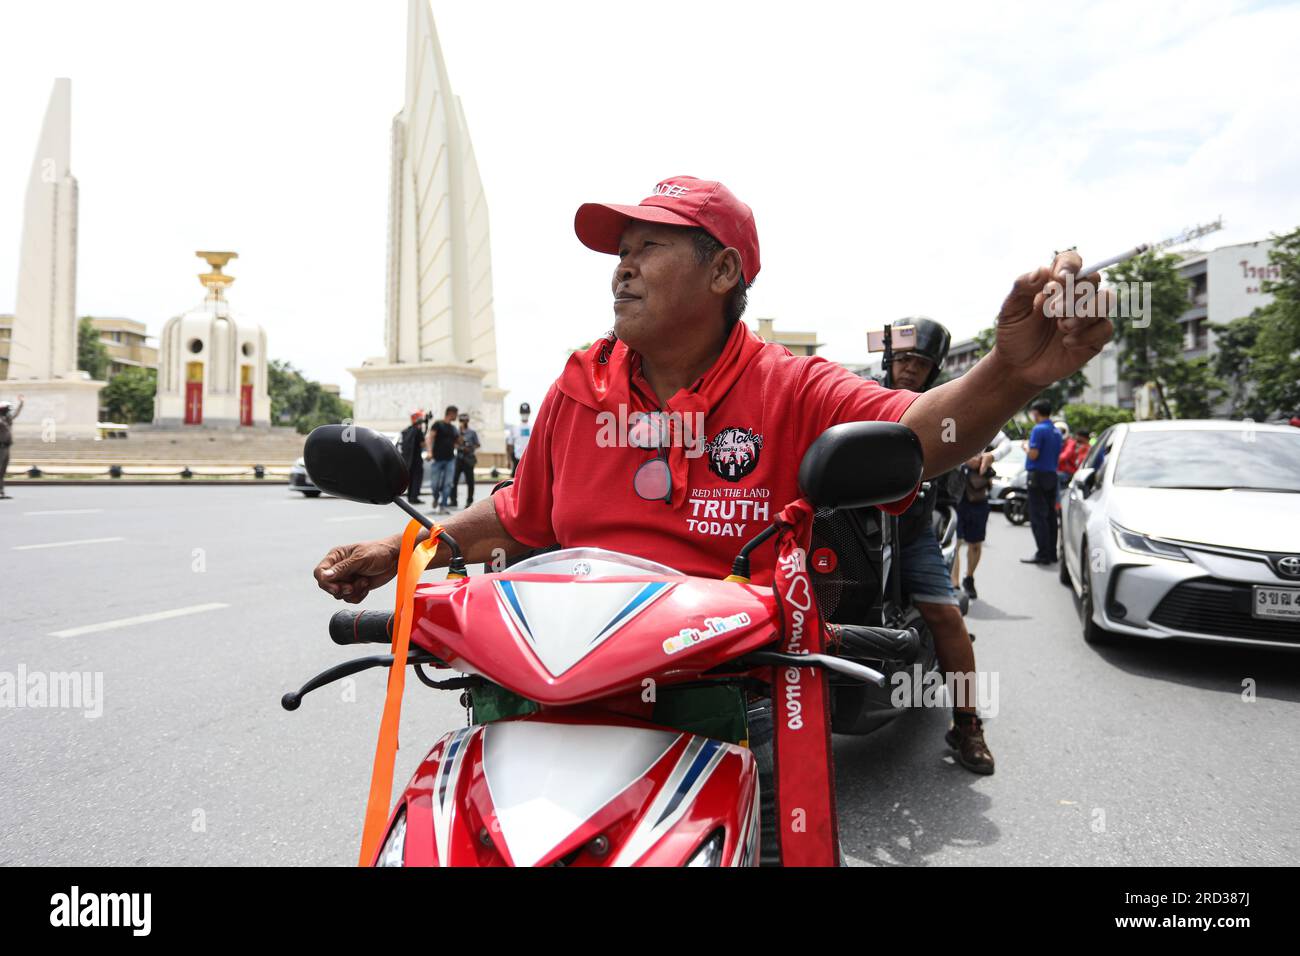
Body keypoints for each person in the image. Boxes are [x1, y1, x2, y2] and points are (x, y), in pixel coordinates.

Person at [314, 175, 1112, 837]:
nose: (621, 269)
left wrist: (1012, 377)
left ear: (724, 271)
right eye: (619, 254)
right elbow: (525, 517)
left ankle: (965, 721)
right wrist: (404, 549)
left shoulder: (790, 385)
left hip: (727, 703)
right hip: (549, 694)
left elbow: (915, 436)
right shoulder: (577, 385)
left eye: (646, 249)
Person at [886, 318, 995, 774]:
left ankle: (967, 724)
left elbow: (970, 450)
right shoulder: (853, 392)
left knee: (945, 615)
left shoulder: (944, 408)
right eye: (904, 359)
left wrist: (975, 459)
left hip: (910, 532)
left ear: (934, 369)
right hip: (843, 529)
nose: (910, 369)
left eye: (921, 362)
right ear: (890, 359)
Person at [951, 445, 996, 600]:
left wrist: (986, 459)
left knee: (975, 544)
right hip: (956, 500)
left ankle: (969, 578)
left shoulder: (985, 440)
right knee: (955, 543)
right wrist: (964, 458)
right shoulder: (955, 436)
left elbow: (1004, 447)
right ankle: (954, 584)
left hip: (978, 503)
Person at [1021, 399, 1063, 564]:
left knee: (1038, 516)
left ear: (1036, 413)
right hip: (1052, 475)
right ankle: (1052, 553)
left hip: (1037, 476)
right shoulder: (1057, 431)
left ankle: (1042, 554)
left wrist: (1025, 447)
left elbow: (1033, 455)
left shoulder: (1038, 430)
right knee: (1050, 516)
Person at [426, 406, 459, 515]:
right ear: (451, 413)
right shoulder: (438, 424)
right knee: (434, 484)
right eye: (456, 414)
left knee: (448, 483)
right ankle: (436, 497)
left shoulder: (454, 429)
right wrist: (429, 451)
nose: (457, 417)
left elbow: (457, 442)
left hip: (450, 460)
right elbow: (430, 438)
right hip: (437, 459)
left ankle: (443, 505)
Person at [450, 412, 480, 508]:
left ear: (468, 421)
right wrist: (458, 446)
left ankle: (469, 500)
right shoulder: (456, 432)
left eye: (465, 420)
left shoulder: (472, 432)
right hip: (459, 459)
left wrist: (470, 447)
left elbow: (477, 444)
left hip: (468, 459)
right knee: (454, 480)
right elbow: (453, 443)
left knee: (470, 481)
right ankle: (453, 500)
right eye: (461, 420)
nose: (463, 422)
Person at [398, 410, 426, 504]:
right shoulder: (418, 431)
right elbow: (423, 444)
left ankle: (410, 497)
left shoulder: (406, 430)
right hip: (417, 459)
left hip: (407, 459)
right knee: (417, 478)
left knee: (411, 478)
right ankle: (414, 497)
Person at [0, 395, 25, 500]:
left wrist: (21, 403)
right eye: (7, 410)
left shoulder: (8, 419)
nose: (9, 412)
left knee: (2, 471)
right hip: (0, 447)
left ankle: (1, 492)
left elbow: (16, 414)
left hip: (6, 447)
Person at [1056, 427, 1091, 499]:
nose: (1076, 437)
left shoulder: (1087, 449)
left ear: (1082, 437)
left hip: (1074, 474)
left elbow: (1067, 457)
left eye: (1077, 436)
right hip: (1072, 473)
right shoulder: (1078, 446)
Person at [506, 403, 532, 476]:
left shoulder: (533, 428)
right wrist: (509, 460)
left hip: (529, 460)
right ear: (520, 413)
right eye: (523, 413)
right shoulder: (514, 428)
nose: (525, 415)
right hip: (517, 459)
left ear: (529, 413)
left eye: (526, 413)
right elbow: (510, 446)